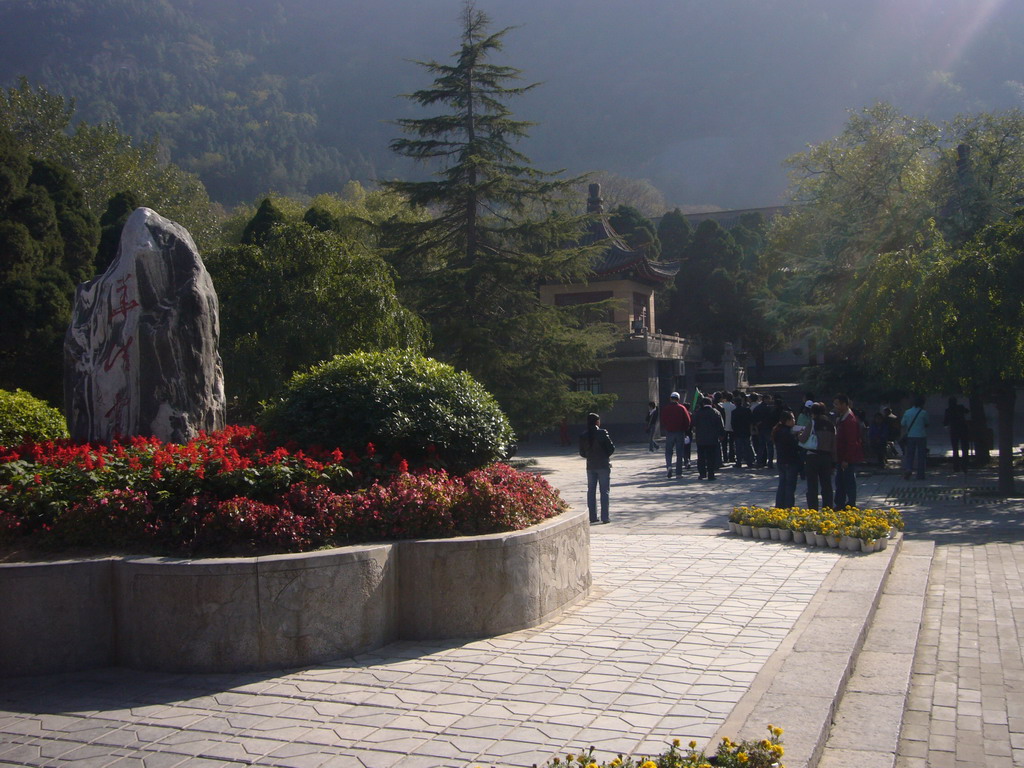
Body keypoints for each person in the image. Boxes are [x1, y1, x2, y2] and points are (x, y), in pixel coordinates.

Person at [579, 412, 614, 524]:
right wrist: (605, 455)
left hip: (590, 465)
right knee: (604, 491)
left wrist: (590, 456)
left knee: (591, 491)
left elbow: (582, 452)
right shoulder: (602, 433)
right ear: (597, 421)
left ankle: (592, 516)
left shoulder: (584, 435)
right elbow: (611, 448)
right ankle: (605, 517)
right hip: (603, 464)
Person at [802, 402, 836, 510]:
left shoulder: (812, 423)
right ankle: (828, 509)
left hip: (812, 456)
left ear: (813, 413)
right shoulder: (831, 425)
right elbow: (834, 444)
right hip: (827, 457)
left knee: (812, 486)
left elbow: (803, 439)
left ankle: (813, 510)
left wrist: (798, 435)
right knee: (827, 485)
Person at [833, 394, 864, 508]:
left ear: (844, 404)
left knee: (848, 482)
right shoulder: (842, 417)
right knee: (840, 482)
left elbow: (851, 442)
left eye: (837, 404)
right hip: (841, 456)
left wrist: (846, 459)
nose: (835, 406)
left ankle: (851, 504)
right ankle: (840, 504)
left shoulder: (849, 420)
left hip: (847, 458)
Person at [693, 396, 725, 480]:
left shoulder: (698, 413)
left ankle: (702, 473)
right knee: (711, 457)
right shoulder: (716, 412)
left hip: (700, 438)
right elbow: (721, 425)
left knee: (701, 457)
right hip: (712, 438)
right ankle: (711, 474)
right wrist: (721, 435)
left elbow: (693, 424)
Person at [772, 410, 800, 509]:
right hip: (790, 461)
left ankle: (780, 506)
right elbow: (795, 446)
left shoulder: (778, 430)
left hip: (781, 461)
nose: (794, 420)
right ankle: (788, 506)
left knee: (782, 484)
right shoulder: (787, 432)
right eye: (792, 418)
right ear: (787, 420)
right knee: (789, 486)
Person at [660, 392, 692, 478]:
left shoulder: (666, 408)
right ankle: (678, 473)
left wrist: (667, 427)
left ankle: (669, 466)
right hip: (680, 432)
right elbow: (688, 420)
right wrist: (685, 429)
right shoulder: (682, 408)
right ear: (678, 399)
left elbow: (663, 420)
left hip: (669, 432)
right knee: (679, 453)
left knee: (668, 451)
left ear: (670, 398)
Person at [901, 396, 930, 480]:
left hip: (910, 436)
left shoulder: (907, 412)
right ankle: (920, 474)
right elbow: (927, 423)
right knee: (921, 455)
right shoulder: (923, 413)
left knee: (910, 454)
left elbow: (903, 423)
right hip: (921, 436)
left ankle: (909, 469)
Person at [943, 397, 970, 472]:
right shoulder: (960, 407)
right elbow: (967, 411)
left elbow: (945, 422)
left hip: (954, 430)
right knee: (964, 448)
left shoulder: (948, 410)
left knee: (955, 448)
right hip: (963, 429)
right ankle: (965, 465)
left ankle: (956, 466)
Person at [731, 394, 755, 468]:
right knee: (747, 446)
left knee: (738, 447)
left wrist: (734, 430)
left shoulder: (734, 412)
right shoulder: (747, 410)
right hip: (746, 430)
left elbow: (733, 423)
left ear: (735, 403)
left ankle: (738, 462)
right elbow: (751, 421)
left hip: (737, 431)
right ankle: (749, 462)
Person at [720, 391, 736, 464]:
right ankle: (732, 457)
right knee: (732, 443)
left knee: (724, 443)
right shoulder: (734, 406)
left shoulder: (721, 406)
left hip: (724, 426)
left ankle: (725, 457)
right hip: (732, 426)